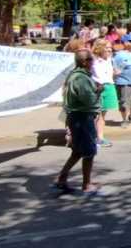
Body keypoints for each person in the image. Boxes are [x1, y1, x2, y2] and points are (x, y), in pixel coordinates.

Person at [54, 49, 103, 195]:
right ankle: (86, 184)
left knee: (77, 151)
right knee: (89, 151)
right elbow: (88, 100)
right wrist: (99, 91)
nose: (93, 63)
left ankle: (62, 178)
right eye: (91, 60)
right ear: (84, 62)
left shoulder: (76, 76)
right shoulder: (80, 78)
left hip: (77, 117)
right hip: (82, 117)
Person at [90, 39, 118, 147]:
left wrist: (115, 73)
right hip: (97, 88)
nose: (109, 50)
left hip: (109, 86)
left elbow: (109, 74)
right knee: (93, 114)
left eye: (110, 48)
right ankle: (91, 137)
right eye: (107, 48)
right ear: (100, 48)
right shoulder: (93, 60)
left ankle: (100, 138)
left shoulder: (110, 59)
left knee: (102, 115)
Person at [113, 42, 131, 128]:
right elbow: (115, 68)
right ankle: (124, 120)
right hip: (124, 82)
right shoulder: (119, 55)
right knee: (124, 102)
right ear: (126, 43)